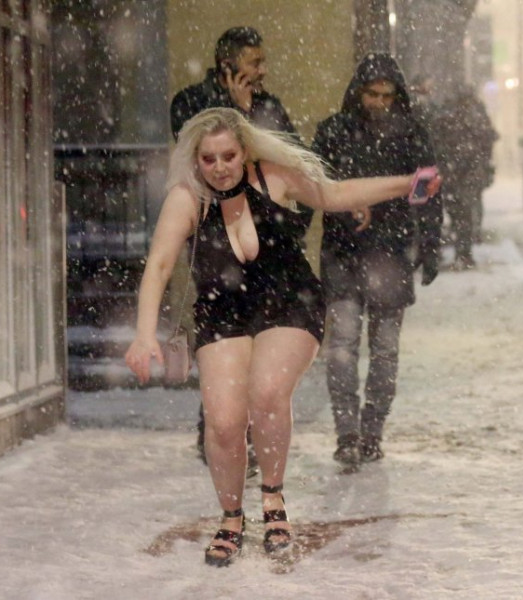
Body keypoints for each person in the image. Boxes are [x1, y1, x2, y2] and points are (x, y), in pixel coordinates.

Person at [124, 107, 439, 567]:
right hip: (223, 310)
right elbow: (159, 265)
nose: (220, 167)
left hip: (289, 299)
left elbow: (334, 194)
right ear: (196, 160)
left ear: (244, 151)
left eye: (228, 156)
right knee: (224, 422)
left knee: (267, 392)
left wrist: (406, 183)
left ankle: (273, 499)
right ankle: (231, 517)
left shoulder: (272, 176)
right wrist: (143, 334)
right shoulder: (187, 198)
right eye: (209, 159)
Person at [169, 26, 312, 465]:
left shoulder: (269, 107)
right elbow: (196, 160)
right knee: (222, 334)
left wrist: (291, 224)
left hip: (264, 241)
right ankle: (218, 428)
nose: (262, 70)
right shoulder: (190, 103)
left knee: (261, 336)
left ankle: (246, 431)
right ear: (228, 64)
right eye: (255, 61)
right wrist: (234, 111)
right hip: (215, 241)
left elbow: (292, 162)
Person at [312, 53, 443, 466]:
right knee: (343, 345)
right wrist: (344, 210)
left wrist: (431, 243)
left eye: (387, 96)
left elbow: (428, 192)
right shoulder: (333, 132)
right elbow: (315, 185)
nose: (380, 103)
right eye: (373, 94)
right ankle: (347, 432)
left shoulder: (411, 134)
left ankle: (371, 432)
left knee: (384, 350)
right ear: (358, 93)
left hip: (391, 251)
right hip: (345, 250)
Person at [431, 85, 497, 269]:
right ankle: (464, 253)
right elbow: (488, 139)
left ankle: (461, 252)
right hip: (463, 172)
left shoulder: (448, 115)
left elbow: (436, 142)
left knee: (457, 212)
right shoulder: (474, 116)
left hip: (455, 172)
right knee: (464, 213)